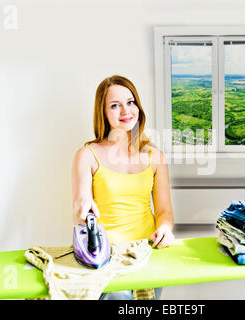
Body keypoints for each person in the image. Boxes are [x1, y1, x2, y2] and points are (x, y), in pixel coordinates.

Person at [71, 75, 175, 300]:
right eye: (114, 105)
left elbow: (164, 210)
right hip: (108, 256)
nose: (125, 111)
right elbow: (80, 206)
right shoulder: (87, 155)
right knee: (119, 299)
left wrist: (165, 228)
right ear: (104, 113)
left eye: (130, 102)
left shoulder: (155, 156)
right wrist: (83, 208)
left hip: (147, 251)